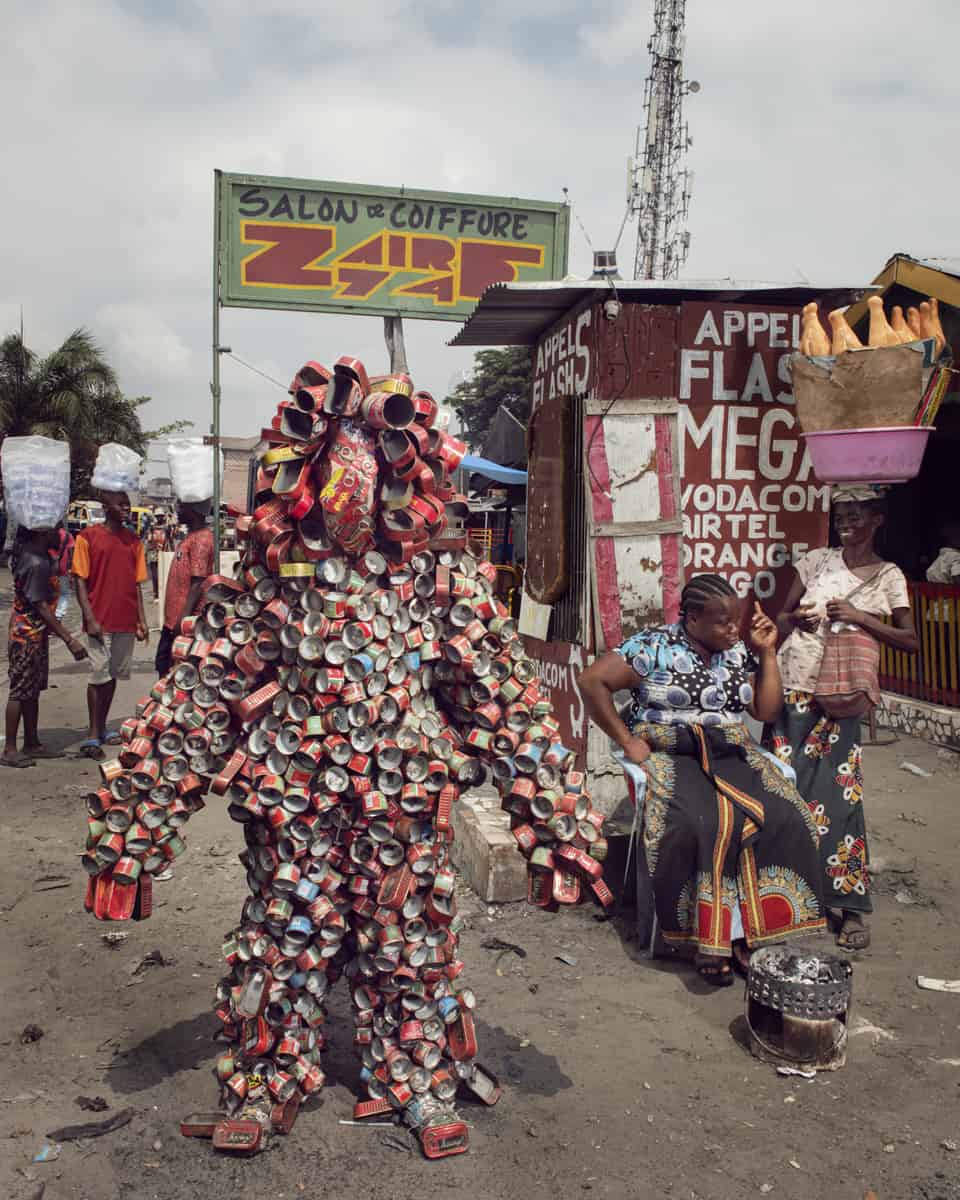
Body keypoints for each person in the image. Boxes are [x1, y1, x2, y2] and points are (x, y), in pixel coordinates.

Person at [579, 574, 825, 985]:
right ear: (692, 619)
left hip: (730, 749)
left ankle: (751, 933)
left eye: (736, 622)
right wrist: (625, 739)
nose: (734, 630)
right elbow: (591, 681)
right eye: (723, 623)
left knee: (784, 816)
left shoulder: (737, 652)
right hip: (670, 750)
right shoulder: (653, 646)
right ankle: (705, 939)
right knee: (698, 823)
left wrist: (766, 654)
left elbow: (765, 712)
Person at [771, 489, 918, 951]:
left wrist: (858, 617)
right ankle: (786, 900)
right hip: (792, 686)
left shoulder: (890, 576)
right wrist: (798, 620)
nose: (846, 522)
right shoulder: (816, 562)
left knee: (837, 798)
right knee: (784, 792)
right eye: (841, 516)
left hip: (839, 697)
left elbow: (909, 640)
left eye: (856, 516)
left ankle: (849, 905)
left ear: (877, 520)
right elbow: (781, 616)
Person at [72, 490, 149, 759]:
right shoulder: (87, 538)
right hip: (99, 620)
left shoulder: (134, 541)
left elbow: (137, 584)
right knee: (98, 676)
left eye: (128, 504)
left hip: (125, 620)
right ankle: (93, 734)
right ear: (106, 507)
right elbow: (79, 580)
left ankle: (103, 727)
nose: (126, 508)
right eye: (121, 504)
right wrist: (90, 618)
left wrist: (142, 620)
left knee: (113, 675)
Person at [3, 526, 88, 768]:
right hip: (26, 636)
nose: (59, 532)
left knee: (32, 690)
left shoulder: (37, 556)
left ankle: (32, 742)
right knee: (20, 691)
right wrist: (69, 639)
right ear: (40, 531)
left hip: (35, 635)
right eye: (54, 528)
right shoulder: (34, 561)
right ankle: (9, 748)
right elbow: (40, 607)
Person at [154, 500, 214, 677]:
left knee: (174, 672)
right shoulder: (191, 536)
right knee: (164, 667)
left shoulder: (201, 539)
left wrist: (184, 619)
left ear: (194, 510)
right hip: (174, 620)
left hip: (185, 622)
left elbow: (197, 582)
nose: (177, 510)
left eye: (182, 506)